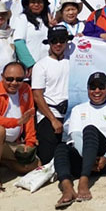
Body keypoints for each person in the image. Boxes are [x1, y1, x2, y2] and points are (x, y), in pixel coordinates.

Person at [54, 72, 106, 209]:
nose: (97, 91)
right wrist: (88, 159)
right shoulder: (78, 110)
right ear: (88, 90)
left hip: (103, 160)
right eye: (93, 87)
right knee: (61, 147)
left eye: (101, 87)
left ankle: (83, 181)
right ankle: (67, 188)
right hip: (85, 158)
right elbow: (75, 135)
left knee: (90, 129)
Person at [0, 62, 37, 194]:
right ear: (2, 77)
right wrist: (17, 122)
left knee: (34, 164)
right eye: (9, 79)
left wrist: (30, 142)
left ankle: (2, 161)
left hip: (14, 142)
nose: (14, 83)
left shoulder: (26, 89)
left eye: (19, 79)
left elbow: (29, 116)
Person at [32, 25, 73, 166]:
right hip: (49, 114)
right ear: (49, 42)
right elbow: (37, 95)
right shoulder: (41, 66)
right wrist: (53, 120)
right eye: (54, 40)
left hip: (71, 115)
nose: (58, 44)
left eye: (62, 40)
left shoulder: (74, 62)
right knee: (47, 159)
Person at [11, 0, 49, 69]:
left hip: (47, 67)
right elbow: (18, 43)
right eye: (33, 2)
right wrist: (30, 65)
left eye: (39, 2)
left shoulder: (46, 20)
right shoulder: (22, 18)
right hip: (31, 69)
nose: (36, 4)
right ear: (27, 4)